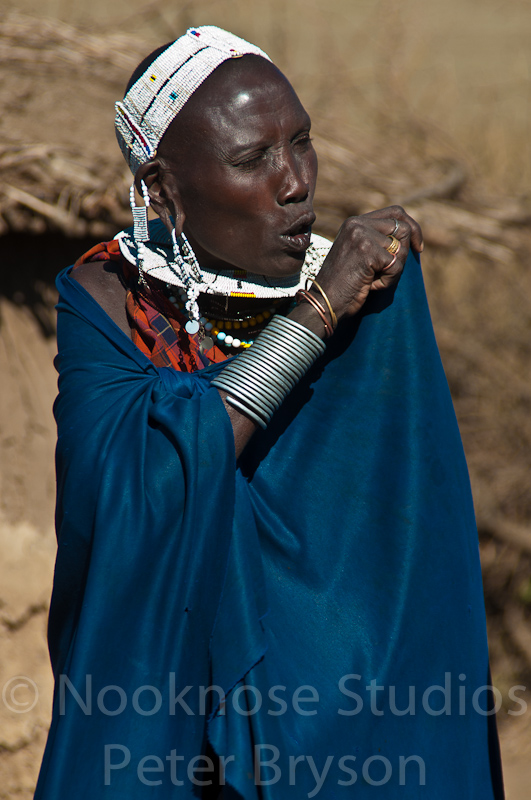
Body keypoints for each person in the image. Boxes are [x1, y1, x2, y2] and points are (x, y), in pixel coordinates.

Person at [35, 26, 504, 799]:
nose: (296, 183)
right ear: (160, 189)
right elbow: (142, 490)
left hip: (358, 736)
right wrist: (314, 317)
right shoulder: (107, 309)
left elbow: (414, 580)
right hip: (165, 728)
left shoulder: (373, 303)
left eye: (302, 143)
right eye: (253, 159)